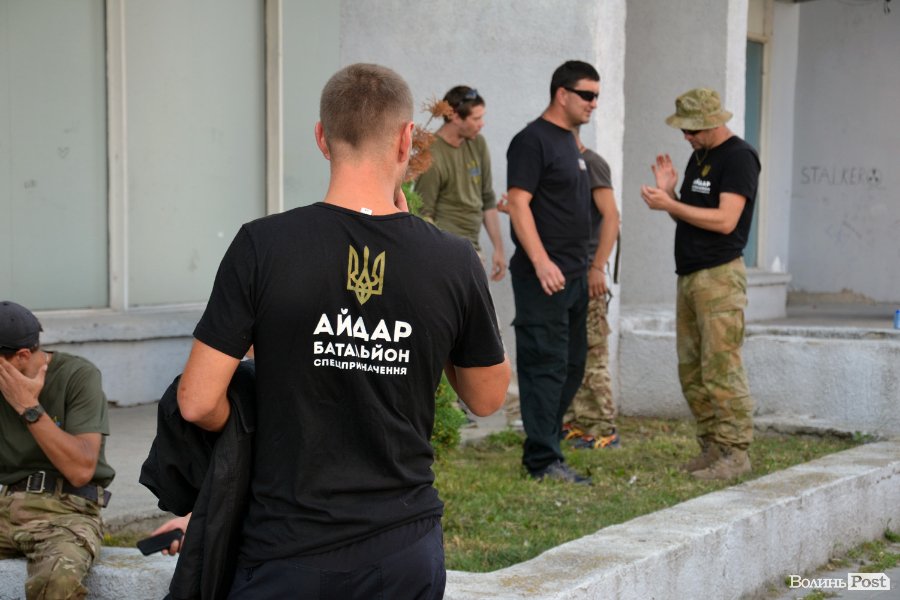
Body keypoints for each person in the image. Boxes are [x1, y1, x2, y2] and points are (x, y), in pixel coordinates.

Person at [176, 63, 510, 598]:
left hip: (286, 547)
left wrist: (248, 419)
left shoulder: (262, 245)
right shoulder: (452, 260)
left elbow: (197, 403)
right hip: (402, 549)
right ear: (406, 140)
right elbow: (487, 398)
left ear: (321, 138)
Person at [640, 88, 760, 480]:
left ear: (711, 122)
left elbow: (725, 221)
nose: (686, 136)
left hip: (720, 276)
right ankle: (711, 447)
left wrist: (670, 204)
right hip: (690, 274)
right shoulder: (699, 157)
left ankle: (735, 453)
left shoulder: (739, 157)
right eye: (683, 130)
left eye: (691, 129)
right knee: (692, 370)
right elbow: (692, 215)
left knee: (722, 367)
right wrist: (670, 195)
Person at [505, 60, 600, 484]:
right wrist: (542, 261)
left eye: (597, 96)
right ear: (562, 94)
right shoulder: (532, 140)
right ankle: (542, 460)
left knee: (572, 365)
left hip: (574, 276)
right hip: (543, 277)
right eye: (587, 95)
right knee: (544, 365)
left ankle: (545, 441)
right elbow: (518, 202)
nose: (593, 103)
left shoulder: (569, 142)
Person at [0, 300, 115, 599]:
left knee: (58, 579)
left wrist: (28, 407)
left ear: (21, 356)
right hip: (7, 505)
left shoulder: (77, 376)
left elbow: (81, 469)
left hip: (67, 510)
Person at [562, 127, 621, 450]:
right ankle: (575, 422)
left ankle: (602, 428)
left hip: (588, 273)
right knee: (571, 353)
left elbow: (611, 217)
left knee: (593, 352)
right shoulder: (561, 164)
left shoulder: (592, 163)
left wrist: (598, 267)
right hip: (566, 275)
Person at [416, 85, 506, 281]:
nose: (482, 124)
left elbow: (487, 199)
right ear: (456, 117)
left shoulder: (478, 143)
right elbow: (424, 215)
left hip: (473, 249)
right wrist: (446, 257)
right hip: (447, 254)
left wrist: (499, 249)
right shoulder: (431, 155)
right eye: (476, 118)